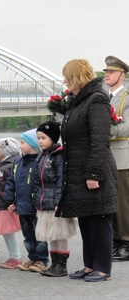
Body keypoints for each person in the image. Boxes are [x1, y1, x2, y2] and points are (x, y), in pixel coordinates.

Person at [58, 59, 118, 282]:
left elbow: (100, 140)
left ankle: (103, 268)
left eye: (66, 76)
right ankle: (89, 265)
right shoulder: (77, 101)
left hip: (94, 171)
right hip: (77, 169)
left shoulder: (97, 100)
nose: (64, 80)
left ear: (76, 77)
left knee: (99, 219)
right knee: (86, 219)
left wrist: (94, 174)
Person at [33, 121, 77, 277]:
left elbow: (61, 181)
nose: (40, 141)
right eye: (38, 138)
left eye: (43, 138)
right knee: (50, 234)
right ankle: (54, 264)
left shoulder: (59, 156)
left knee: (60, 234)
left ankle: (62, 266)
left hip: (56, 203)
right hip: (45, 203)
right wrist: (37, 200)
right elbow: (38, 181)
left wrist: (60, 201)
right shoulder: (41, 157)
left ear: (52, 138)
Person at [4, 129, 49, 273]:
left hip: (35, 207)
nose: (20, 145)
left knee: (39, 235)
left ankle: (42, 260)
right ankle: (32, 257)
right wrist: (9, 200)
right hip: (21, 206)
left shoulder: (40, 161)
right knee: (27, 235)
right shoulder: (17, 162)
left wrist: (39, 202)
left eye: (22, 143)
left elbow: (42, 184)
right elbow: (11, 182)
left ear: (33, 145)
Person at [103, 56, 129, 262]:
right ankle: (114, 241)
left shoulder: (127, 98)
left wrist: (100, 128)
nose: (106, 75)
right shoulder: (104, 97)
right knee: (109, 202)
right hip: (106, 156)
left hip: (122, 155)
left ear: (122, 75)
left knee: (122, 203)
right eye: (106, 72)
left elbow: (124, 127)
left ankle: (125, 242)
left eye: (111, 72)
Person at [0, 137, 22, 269]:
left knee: (8, 232)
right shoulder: (3, 164)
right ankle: (14, 256)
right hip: (2, 203)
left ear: (4, 151)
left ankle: (16, 257)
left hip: (6, 204)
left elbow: (14, 185)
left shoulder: (8, 166)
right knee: (6, 232)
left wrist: (11, 201)